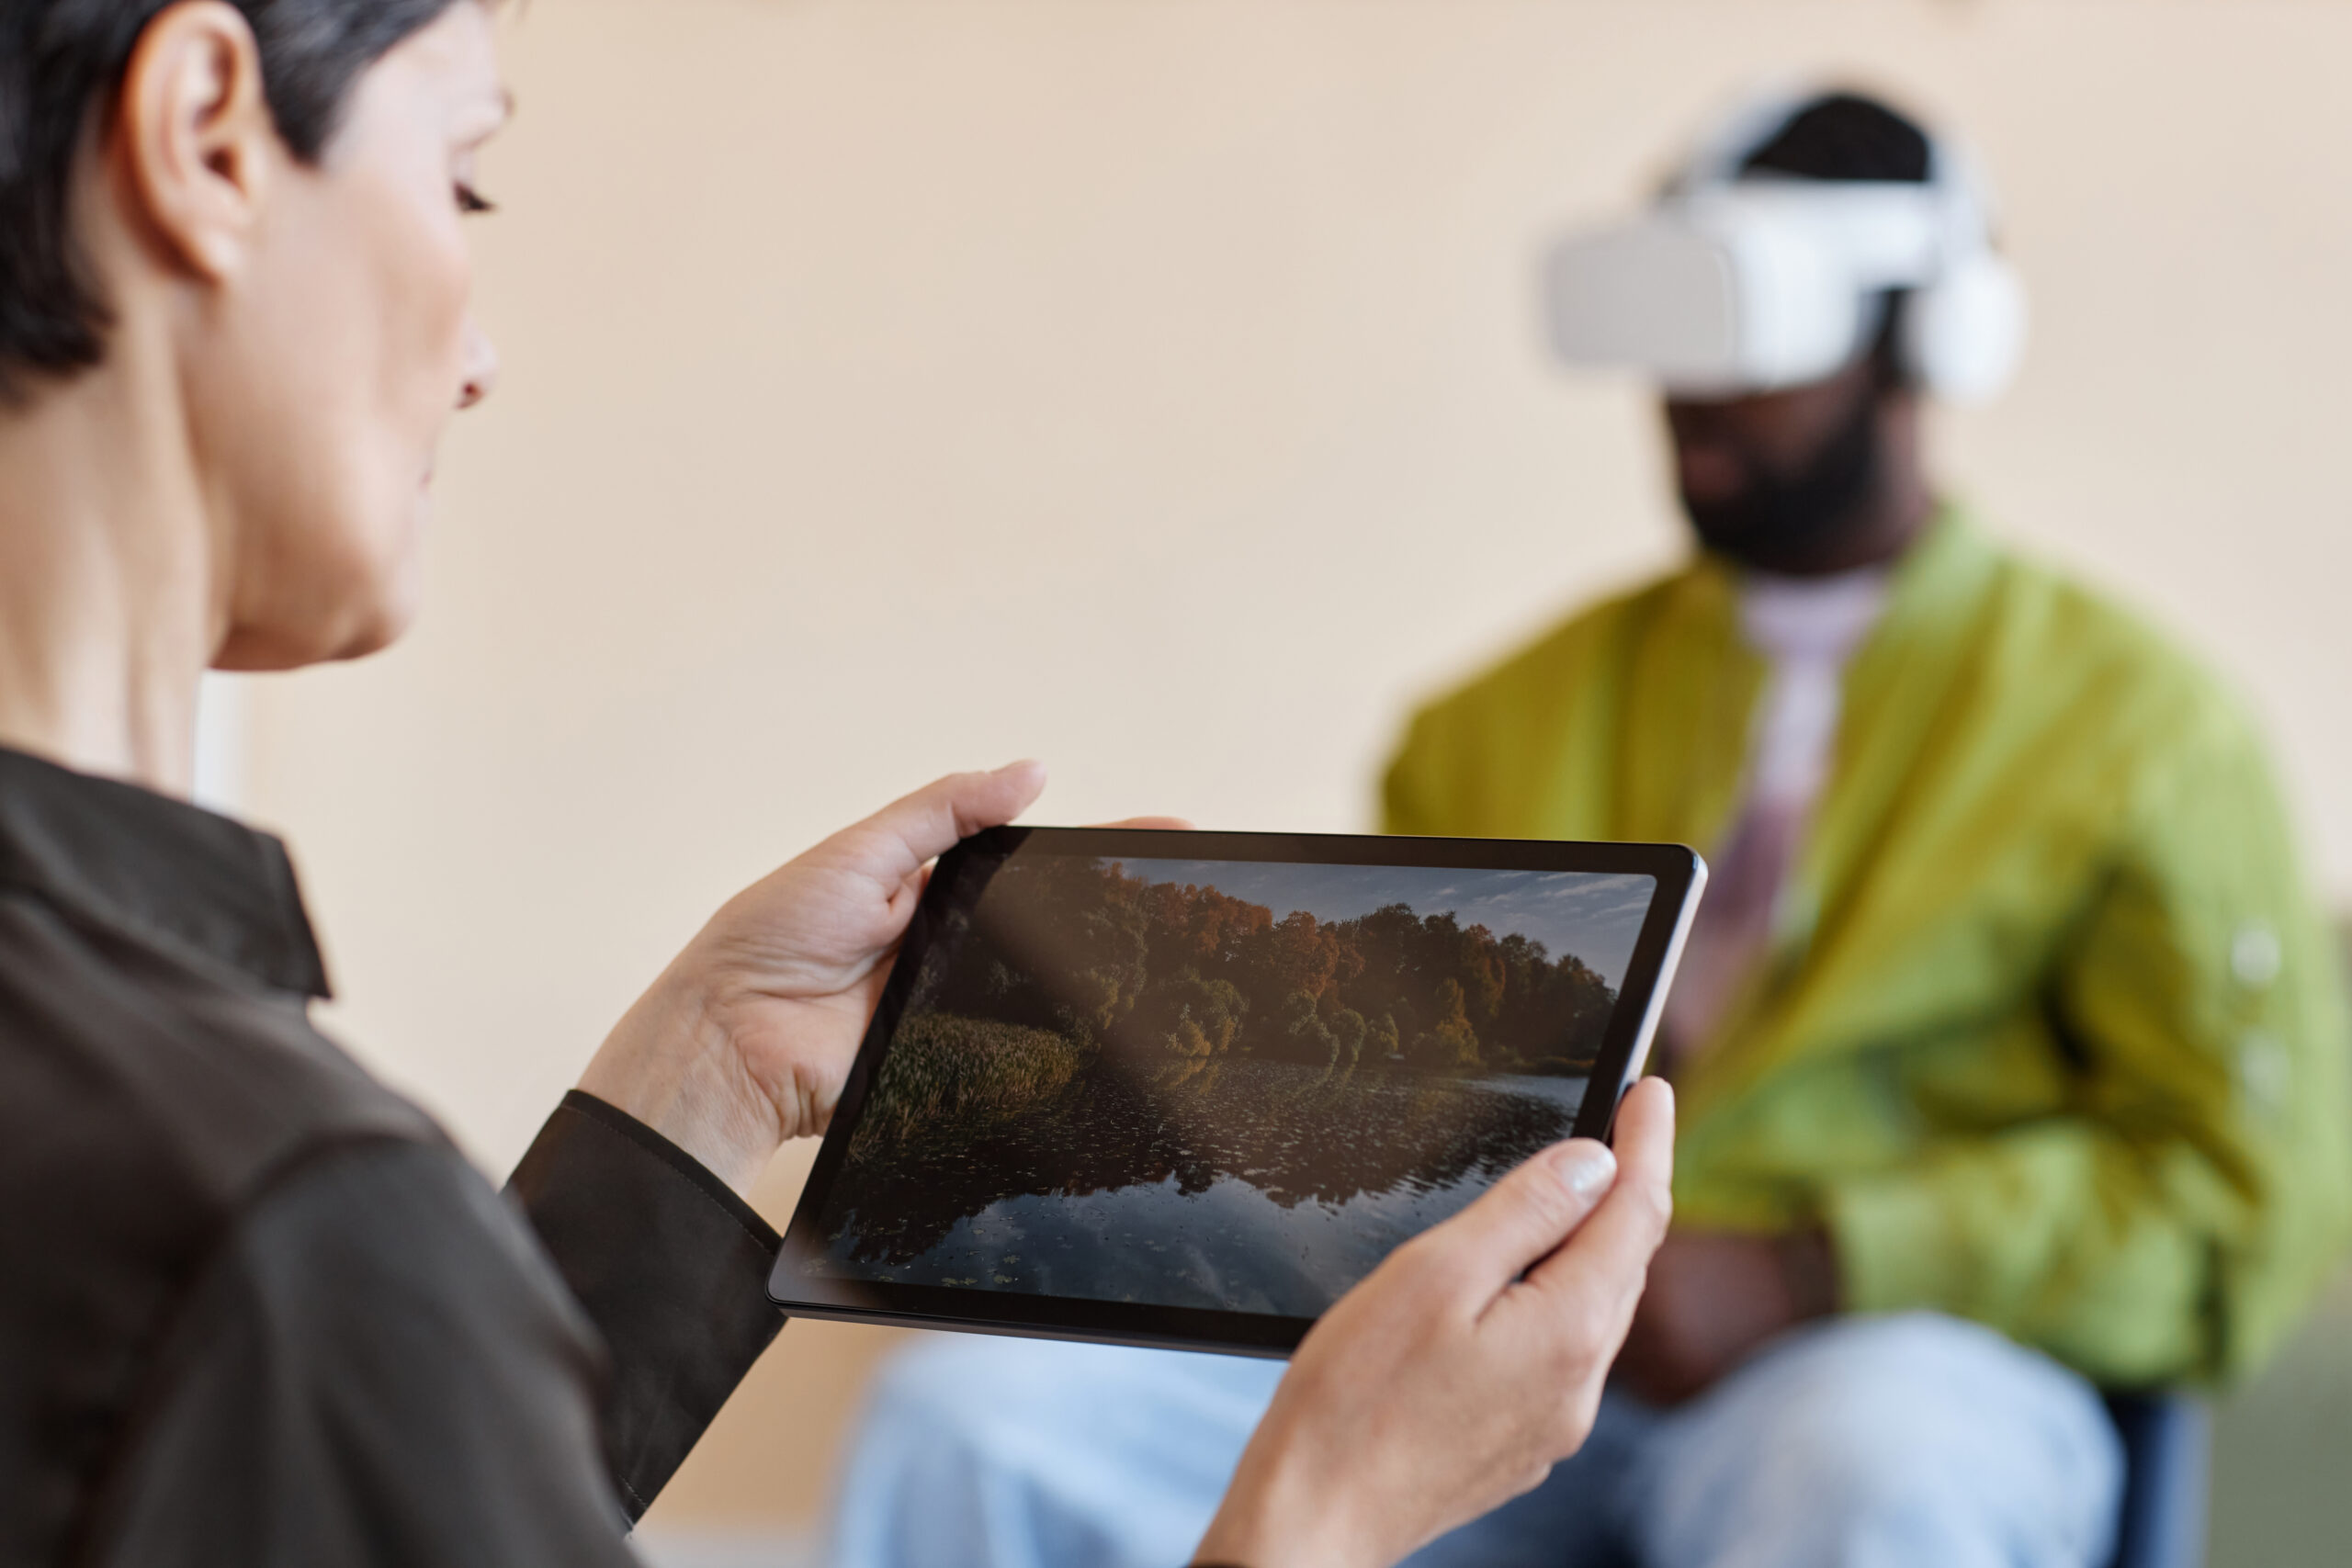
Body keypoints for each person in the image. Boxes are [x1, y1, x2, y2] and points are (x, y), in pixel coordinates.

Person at [0, 3, 1679, 1565]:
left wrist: (712, 1068)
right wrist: (1323, 1512)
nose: (482, 358)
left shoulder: (205, 1182)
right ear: (207, 136)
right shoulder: (285, 1222)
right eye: (461, 177)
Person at [829, 89, 2352, 1568]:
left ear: (1923, 336)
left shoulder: (2146, 738)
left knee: (1870, 1482)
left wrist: (1816, 1265)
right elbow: (1389, 1127)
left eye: (1751, 329)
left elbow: (2239, 1197)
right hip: (1494, 1327)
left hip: (1880, 1355)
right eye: (1667, 327)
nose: (1691, 390)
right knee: (978, 1422)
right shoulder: (1492, 721)